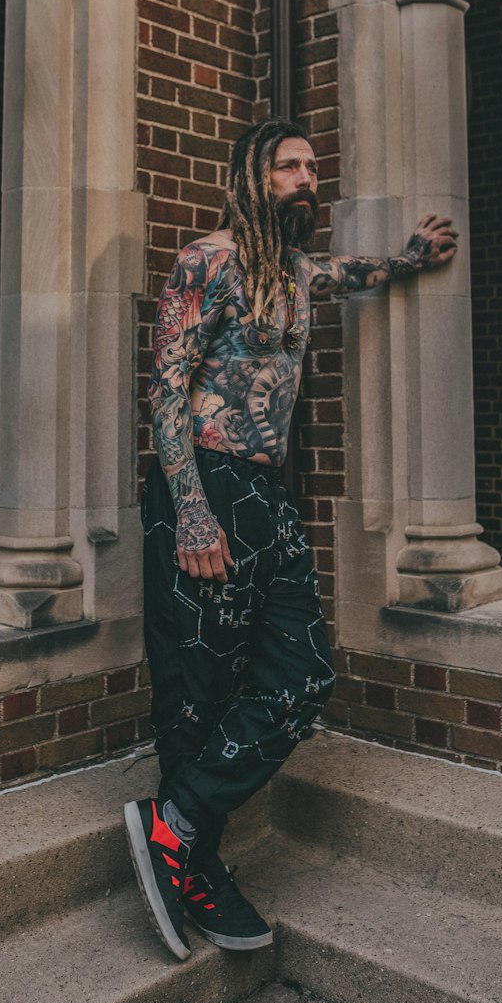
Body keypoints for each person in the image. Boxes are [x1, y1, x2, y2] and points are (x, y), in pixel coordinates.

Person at [123, 117, 459, 960]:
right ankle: (196, 865)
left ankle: (178, 821)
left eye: (312, 166)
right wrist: (191, 509)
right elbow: (165, 391)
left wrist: (411, 258)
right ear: (251, 176)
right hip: (202, 479)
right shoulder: (209, 260)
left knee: (304, 672)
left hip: (266, 491)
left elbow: (363, 271)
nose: (308, 177)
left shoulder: (302, 272)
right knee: (197, 687)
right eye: (289, 166)